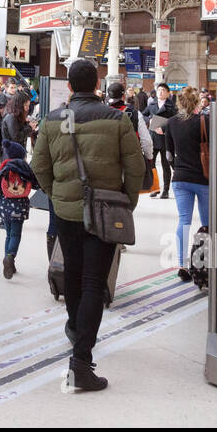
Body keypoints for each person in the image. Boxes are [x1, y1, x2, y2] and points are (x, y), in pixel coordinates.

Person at [31, 59, 144, 392]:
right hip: (106, 211)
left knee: (75, 276)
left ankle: (74, 326)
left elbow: (38, 165)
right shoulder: (117, 119)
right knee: (95, 282)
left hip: (67, 213)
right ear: (97, 85)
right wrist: (127, 201)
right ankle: (81, 362)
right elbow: (135, 165)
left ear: (68, 86)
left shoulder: (52, 121)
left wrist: (57, 194)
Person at [165, 86, 209, 282]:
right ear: (196, 102)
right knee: (207, 223)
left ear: (179, 102)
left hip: (180, 178)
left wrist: (178, 167)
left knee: (184, 221)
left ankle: (182, 265)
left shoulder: (171, 123)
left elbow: (168, 155)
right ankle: (204, 264)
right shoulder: (204, 121)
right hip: (203, 178)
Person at [0, 141, 38, 279]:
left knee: (8, 235)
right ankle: (10, 257)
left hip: (5, 208)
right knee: (16, 235)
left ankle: (9, 260)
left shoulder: (5, 169)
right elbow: (35, 184)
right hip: (20, 208)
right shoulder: (26, 170)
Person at [144, 82, 176, 199]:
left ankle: (166, 190)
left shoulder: (171, 106)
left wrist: (164, 128)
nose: (160, 92)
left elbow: (175, 121)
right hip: (153, 137)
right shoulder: (152, 104)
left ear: (168, 93)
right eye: (159, 90)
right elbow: (143, 115)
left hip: (165, 138)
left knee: (165, 164)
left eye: (163, 90)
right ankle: (155, 187)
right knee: (151, 164)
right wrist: (149, 120)